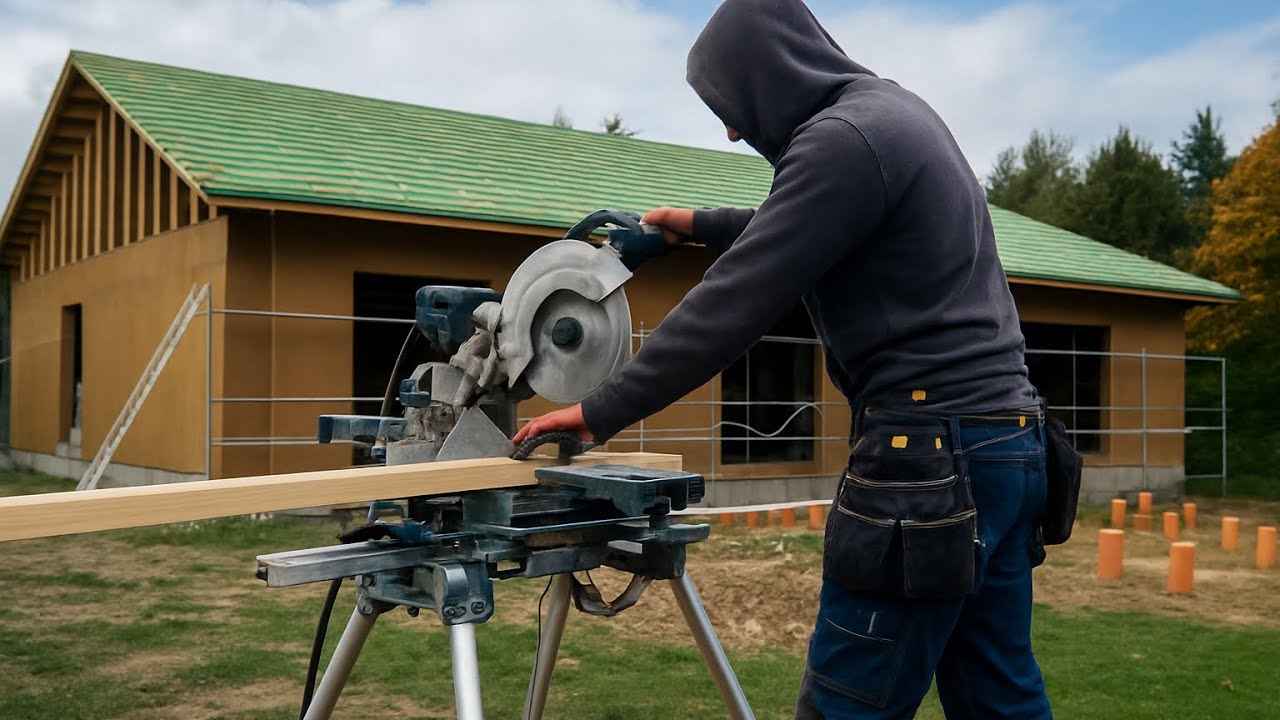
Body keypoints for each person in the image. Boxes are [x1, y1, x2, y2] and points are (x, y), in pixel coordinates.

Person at [514, 0, 1054, 717]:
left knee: (848, 701)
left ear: (768, 77)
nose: (735, 130)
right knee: (998, 695)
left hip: (928, 457)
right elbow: (808, 225)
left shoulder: (843, 141)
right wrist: (698, 226)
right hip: (1008, 442)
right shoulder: (889, 116)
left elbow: (738, 298)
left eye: (732, 109)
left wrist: (598, 411)